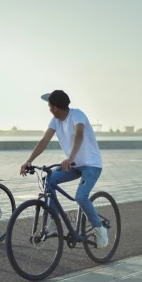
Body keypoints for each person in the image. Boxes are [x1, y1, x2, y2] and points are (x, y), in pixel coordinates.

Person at [19, 90, 108, 248]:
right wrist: (29, 161)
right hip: (73, 165)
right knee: (50, 180)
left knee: (81, 197)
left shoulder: (77, 115)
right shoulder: (55, 121)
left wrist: (71, 157)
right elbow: (44, 141)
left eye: (49, 105)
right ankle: (55, 219)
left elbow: (78, 135)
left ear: (54, 107)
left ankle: (99, 229)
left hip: (91, 165)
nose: (48, 108)